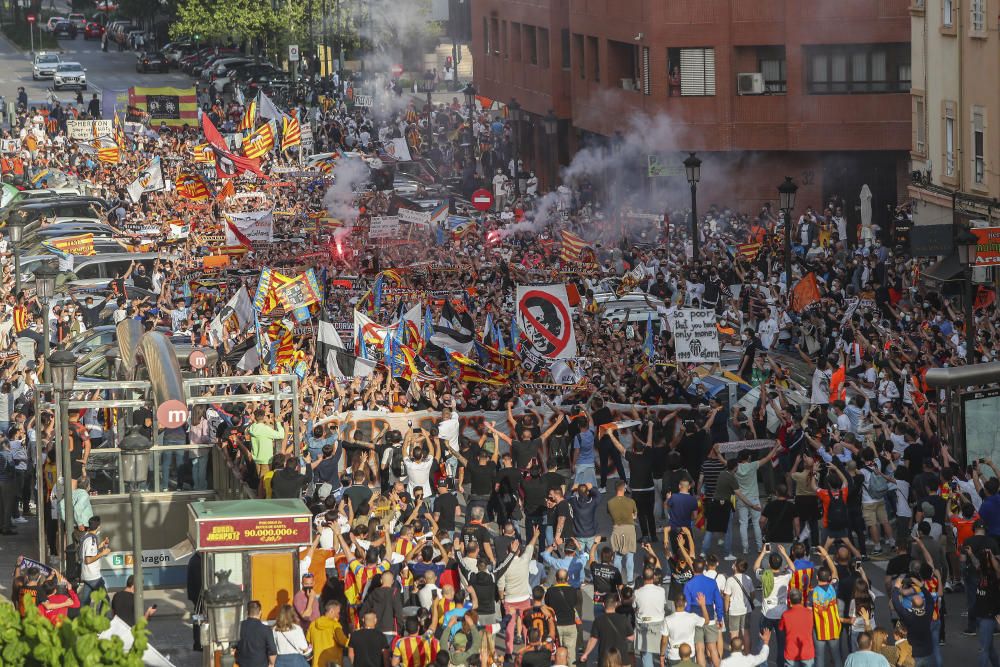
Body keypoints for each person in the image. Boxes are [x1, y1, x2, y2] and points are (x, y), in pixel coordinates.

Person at [79, 516, 110, 607]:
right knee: (105, 600)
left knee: (85, 603)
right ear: (98, 526)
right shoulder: (91, 540)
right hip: (94, 576)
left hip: (86, 575)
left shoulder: (86, 536)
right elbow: (88, 560)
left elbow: (89, 551)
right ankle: (101, 620)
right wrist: (102, 553)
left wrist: (101, 545)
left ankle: (83, 619)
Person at [307, 600, 350, 667]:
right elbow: (343, 642)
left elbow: (308, 643)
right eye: (338, 613)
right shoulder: (335, 625)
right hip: (332, 663)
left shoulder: (312, 625)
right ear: (331, 611)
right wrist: (352, 640)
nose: (339, 615)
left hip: (316, 664)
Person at [236, 600, 278, 667]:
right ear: (260, 612)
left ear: (247, 612)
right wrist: (272, 664)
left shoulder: (238, 627)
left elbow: (233, 648)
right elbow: (272, 651)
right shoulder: (266, 629)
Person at [778, 588, 814, 667]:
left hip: (791, 653)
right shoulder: (810, 613)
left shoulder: (785, 615)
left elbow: (781, 628)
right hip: (807, 651)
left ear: (790, 601)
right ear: (801, 600)